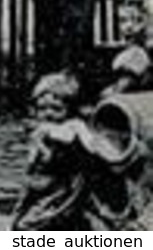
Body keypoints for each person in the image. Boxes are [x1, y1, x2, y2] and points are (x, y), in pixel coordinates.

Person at [13, 71, 145, 230]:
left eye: (56, 109)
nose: (48, 114)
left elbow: (84, 142)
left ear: (69, 109)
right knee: (24, 222)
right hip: (45, 189)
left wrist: (59, 134)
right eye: (42, 109)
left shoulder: (73, 126)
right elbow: (33, 166)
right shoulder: (40, 132)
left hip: (67, 192)